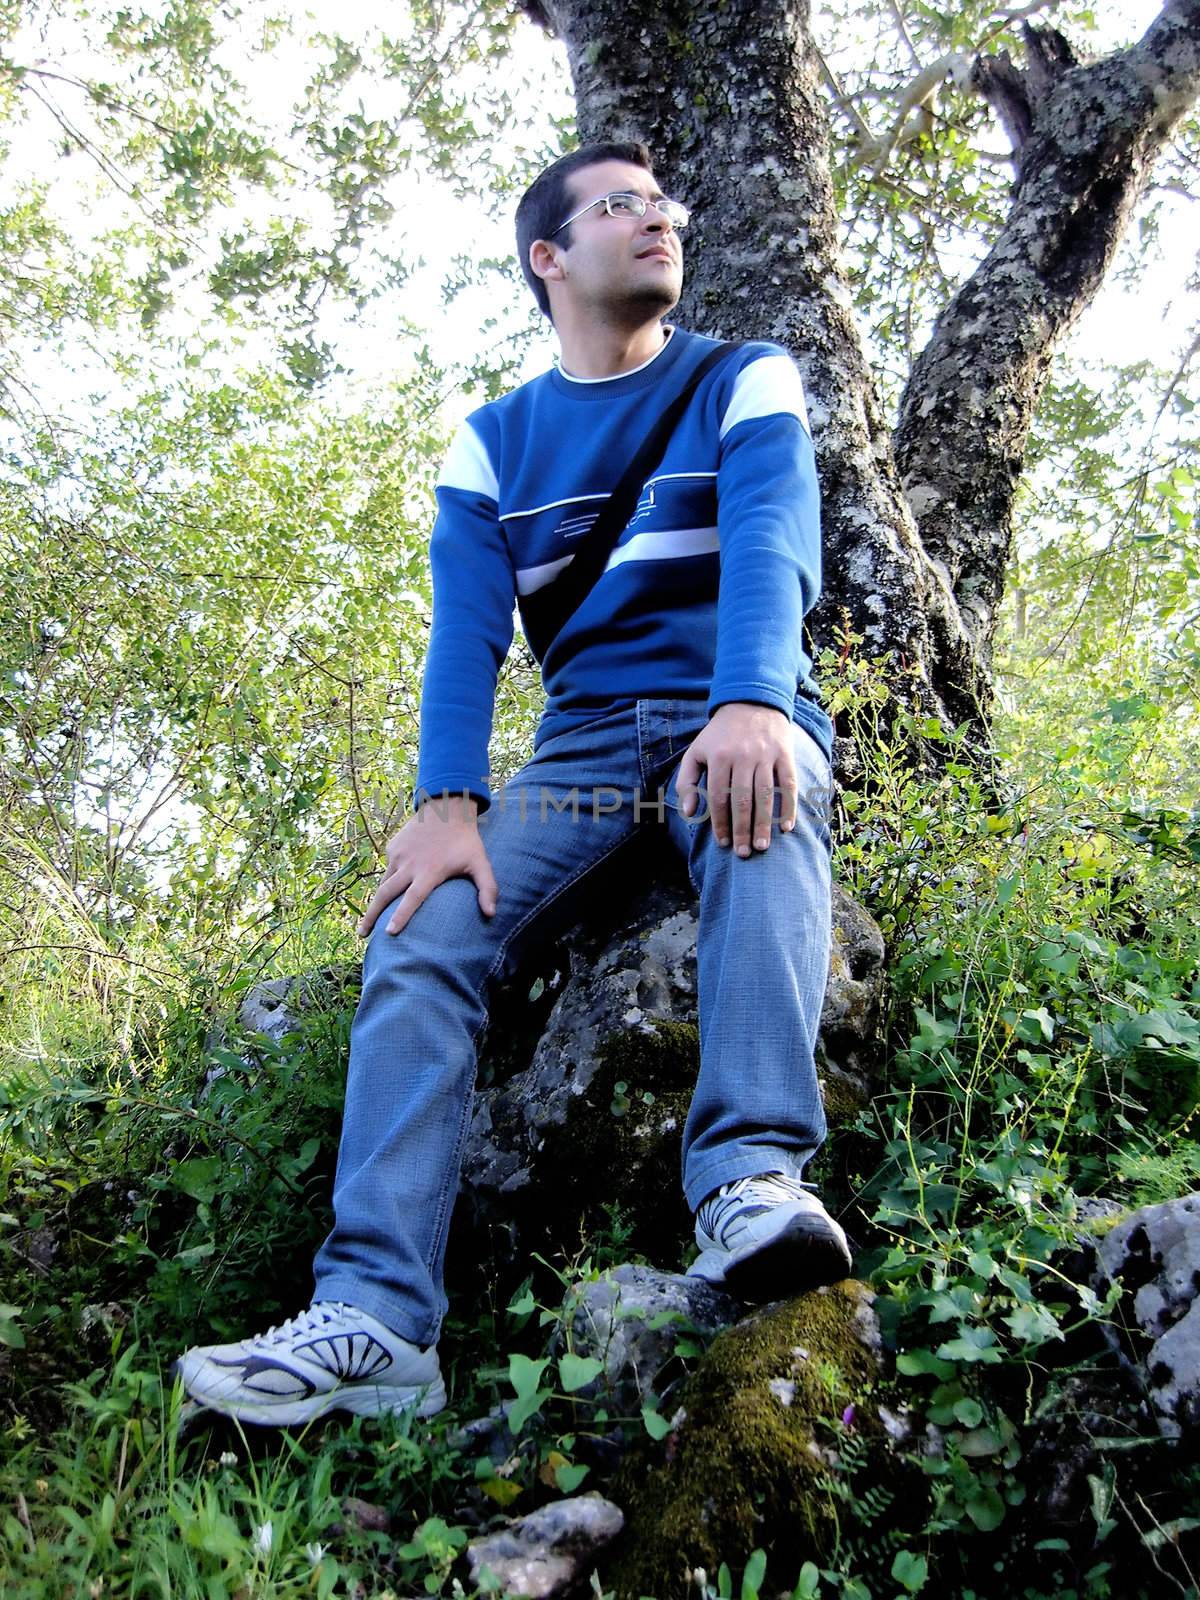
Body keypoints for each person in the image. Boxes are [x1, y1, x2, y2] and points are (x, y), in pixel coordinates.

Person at [176, 140, 851, 1429]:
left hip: (732, 709)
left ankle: (752, 1183)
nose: (658, 218)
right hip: (588, 747)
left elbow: (772, 539)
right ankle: (376, 1318)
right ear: (550, 258)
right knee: (422, 927)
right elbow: (465, 636)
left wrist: (758, 697)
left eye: (664, 200)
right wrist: (446, 802)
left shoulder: (742, 377)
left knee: (764, 818)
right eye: (619, 206)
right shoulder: (492, 446)